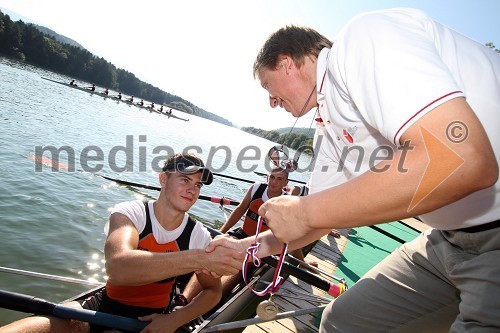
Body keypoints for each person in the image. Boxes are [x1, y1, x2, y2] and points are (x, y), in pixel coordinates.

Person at [206, 8, 500, 332]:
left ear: (287, 63)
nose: (272, 102)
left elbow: (460, 157)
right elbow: (319, 220)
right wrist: (246, 247)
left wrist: (305, 211)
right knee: (340, 322)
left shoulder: (363, 38)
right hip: (448, 239)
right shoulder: (328, 126)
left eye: (268, 87)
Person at [0, 153, 242, 333]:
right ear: (163, 179)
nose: (192, 190)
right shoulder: (130, 212)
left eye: (198, 185)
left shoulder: (197, 234)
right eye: (185, 180)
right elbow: (118, 267)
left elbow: (212, 290)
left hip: (156, 317)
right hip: (107, 304)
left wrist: (176, 319)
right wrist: (198, 257)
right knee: (47, 325)